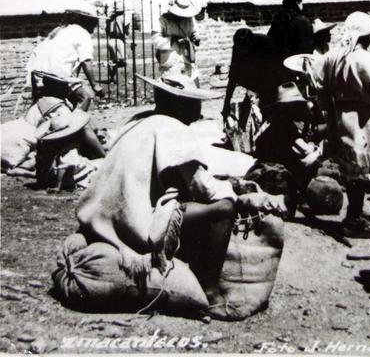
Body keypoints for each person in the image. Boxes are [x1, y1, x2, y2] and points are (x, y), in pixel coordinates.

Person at [75, 77, 287, 308]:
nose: (199, 109)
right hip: (133, 224)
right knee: (224, 208)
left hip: (101, 216)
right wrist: (241, 195)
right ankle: (210, 291)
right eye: (194, 102)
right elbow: (204, 189)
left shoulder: (138, 122)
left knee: (192, 202)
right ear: (180, 104)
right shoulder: (173, 128)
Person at [320, 11, 370, 238]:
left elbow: (317, 82)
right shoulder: (364, 59)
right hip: (361, 119)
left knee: (351, 169)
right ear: (368, 37)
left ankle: (356, 210)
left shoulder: (334, 57)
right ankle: (353, 218)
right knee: (359, 171)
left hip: (340, 116)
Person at [26, 5, 104, 111]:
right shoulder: (82, 33)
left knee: (71, 100)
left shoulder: (62, 30)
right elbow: (86, 61)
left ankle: (77, 124)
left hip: (39, 72)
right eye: (95, 22)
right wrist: (95, 86)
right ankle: (75, 125)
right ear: (86, 21)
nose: (96, 26)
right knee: (84, 98)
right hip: (57, 74)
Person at [254, 82, 320, 188]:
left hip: (269, 168)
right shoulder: (285, 125)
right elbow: (305, 150)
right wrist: (315, 146)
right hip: (274, 173)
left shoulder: (275, 122)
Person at [151, 0, 203, 85]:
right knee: (173, 86)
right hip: (170, 59)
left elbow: (193, 31)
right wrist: (173, 40)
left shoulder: (189, 19)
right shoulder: (163, 20)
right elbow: (155, 40)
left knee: (190, 85)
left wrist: (195, 37)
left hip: (186, 58)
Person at [267, 0, 314, 64]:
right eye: (301, 3)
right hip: (297, 62)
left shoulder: (278, 19)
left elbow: (270, 40)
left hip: (280, 62)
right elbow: (307, 46)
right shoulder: (303, 21)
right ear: (297, 3)